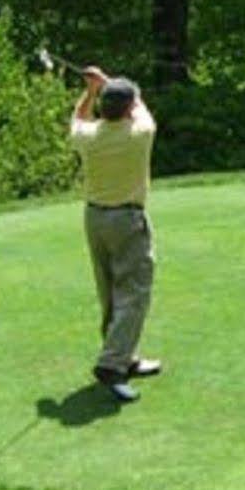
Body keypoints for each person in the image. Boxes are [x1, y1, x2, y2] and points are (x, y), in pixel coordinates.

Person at [68, 65, 162, 403]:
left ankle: (126, 357)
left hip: (94, 218)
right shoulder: (139, 134)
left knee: (110, 292)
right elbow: (138, 106)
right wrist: (107, 82)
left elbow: (77, 119)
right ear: (126, 108)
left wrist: (91, 91)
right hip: (127, 219)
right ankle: (111, 366)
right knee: (134, 293)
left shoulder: (90, 136)